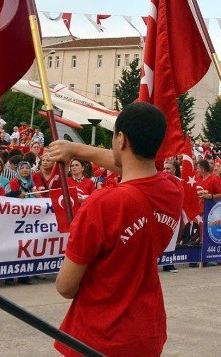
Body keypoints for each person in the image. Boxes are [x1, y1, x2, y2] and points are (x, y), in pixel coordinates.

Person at [49, 102, 183, 356]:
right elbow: (133, 168)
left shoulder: (102, 204)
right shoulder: (173, 189)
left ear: (120, 139)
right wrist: (76, 149)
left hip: (99, 338)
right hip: (146, 333)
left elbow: (65, 286)